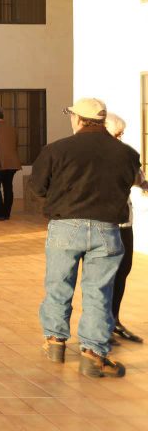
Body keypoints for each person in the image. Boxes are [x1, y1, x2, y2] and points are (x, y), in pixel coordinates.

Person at [31, 98, 139, 378]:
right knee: (99, 292)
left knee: (58, 285)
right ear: (102, 121)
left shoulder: (57, 149)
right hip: (107, 228)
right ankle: (93, 354)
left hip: (65, 226)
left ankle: (55, 342)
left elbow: (38, 186)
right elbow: (128, 183)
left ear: (79, 119)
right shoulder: (126, 153)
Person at [104, 112, 146, 344]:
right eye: (116, 133)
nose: (120, 138)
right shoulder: (96, 154)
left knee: (123, 270)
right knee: (103, 276)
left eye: (121, 134)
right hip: (103, 223)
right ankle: (100, 326)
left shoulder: (126, 154)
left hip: (123, 223)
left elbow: (138, 179)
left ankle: (114, 320)